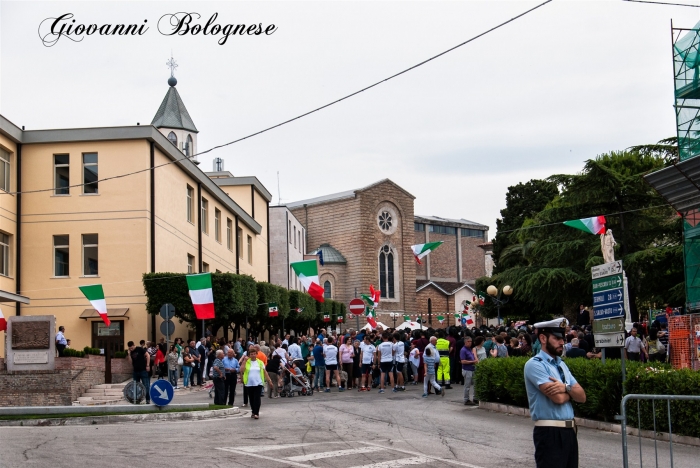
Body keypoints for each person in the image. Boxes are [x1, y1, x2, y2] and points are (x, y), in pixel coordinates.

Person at [524, 318, 586, 468]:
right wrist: (570, 391)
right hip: (549, 433)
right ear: (543, 338)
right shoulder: (534, 364)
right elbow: (557, 398)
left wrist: (565, 388)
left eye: (563, 338)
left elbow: (582, 396)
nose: (562, 342)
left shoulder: (561, 364)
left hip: (569, 432)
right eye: (557, 338)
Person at [240, 346, 272, 419]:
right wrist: (244, 361)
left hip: (258, 383)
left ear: (256, 354)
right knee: (251, 398)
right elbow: (241, 370)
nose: (253, 355)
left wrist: (269, 381)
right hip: (249, 383)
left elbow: (265, 372)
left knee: (257, 398)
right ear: (249, 355)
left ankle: (256, 413)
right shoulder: (247, 362)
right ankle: (253, 411)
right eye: (251, 354)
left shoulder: (260, 362)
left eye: (254, 354)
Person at [460, 336, 477, 406]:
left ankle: (475, 398)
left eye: (471, 341)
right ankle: (466, 399)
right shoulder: (463, 350)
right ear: (465, 342)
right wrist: (472, 361)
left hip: (472, 369)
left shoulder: (470, 349)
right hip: (467, 370)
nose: (470, 343)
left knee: (475, 384)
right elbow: (463, 361)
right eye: (468, 341)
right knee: (467, 386)